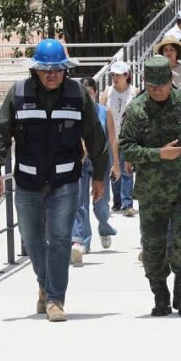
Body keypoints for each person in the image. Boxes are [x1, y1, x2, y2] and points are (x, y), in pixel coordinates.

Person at [0, 39, 108, 322]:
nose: (52, 74)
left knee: (61, 238)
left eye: (57, 70)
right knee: (31, 239)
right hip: (28, 180)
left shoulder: (78, 94)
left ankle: (55, 299)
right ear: (36, 70)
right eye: (46, 70)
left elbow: (95, 137)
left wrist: (99, 177)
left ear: (65, 70)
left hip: (65, 180)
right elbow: (0, 133)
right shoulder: (18, 93)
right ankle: (44, 283)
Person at [119, 55, 181, 317]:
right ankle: (160, 295)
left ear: (170, 81)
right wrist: (157, 153)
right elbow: (126, 147)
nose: (157, 90)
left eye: (161, 85)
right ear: (145, 83)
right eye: (151, 86)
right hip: (151, 190)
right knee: (153, 245)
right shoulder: (137, 109)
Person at [70, 78, 119, 266]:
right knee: (79, 202)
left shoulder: (104, 111)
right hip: (81, 161)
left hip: (101, 160)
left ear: (96, 92)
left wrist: (116, 163)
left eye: (89, 91)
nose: (86, 94)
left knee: (101, 203)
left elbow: (112, 139)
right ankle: (81, 241)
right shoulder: (74, 111)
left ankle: (105, 227)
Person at [101, 61, 138, 216]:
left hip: (128, 136)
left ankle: (127, 203)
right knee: (114, 168)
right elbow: (100, 112)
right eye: (113, 75)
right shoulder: (107, 92)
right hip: (111, 136)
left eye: (118, 75)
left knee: (127, 169)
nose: (115, 78)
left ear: (126, 75)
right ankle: (117, 202)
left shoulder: (134, 92)